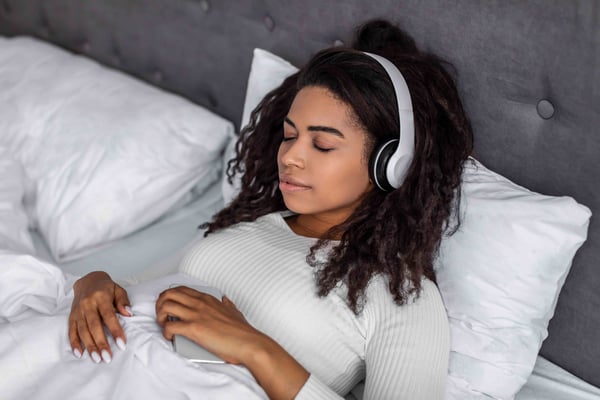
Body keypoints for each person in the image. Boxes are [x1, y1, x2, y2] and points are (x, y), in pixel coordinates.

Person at [68, 19, 473, 400]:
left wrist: (255, 348)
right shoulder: (250, 225)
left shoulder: (401, 296)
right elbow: (132, 286)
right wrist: (93, 282)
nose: (291, 157)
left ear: (390, 164)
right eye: (289, 136)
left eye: (323, 144)